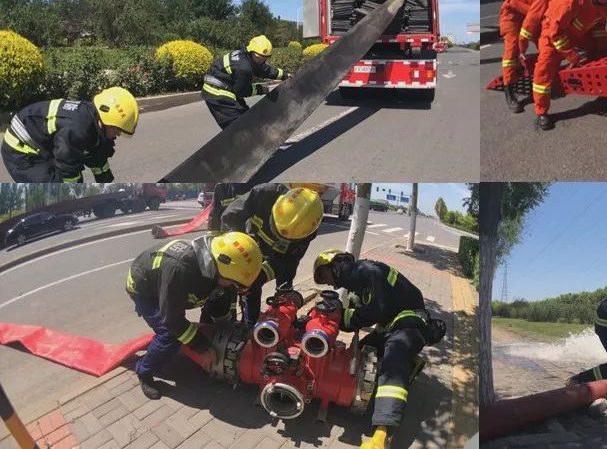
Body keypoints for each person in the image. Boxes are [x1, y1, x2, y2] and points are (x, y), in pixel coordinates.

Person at [313, 249, 446, 449]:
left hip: (411, 323)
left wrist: (342, 317)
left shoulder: (367, 272)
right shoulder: (359, 279)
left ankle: (382, 433)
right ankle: (409, 365)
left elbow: (372, 312)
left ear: (335, 264)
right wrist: (335, 314)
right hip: (393, 326)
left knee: (394, 355)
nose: (329, 283)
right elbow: (362, 311)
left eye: (325, 276)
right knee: (364, 349)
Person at [125, 232, 263, 400]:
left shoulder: (219, 265)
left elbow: (221, 305)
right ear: (218, 270)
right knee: (169, 336)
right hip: (146, 291)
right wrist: (203, 348)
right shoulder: (180, 270)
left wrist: (226, 332)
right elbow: (173, 320)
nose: (234, 287)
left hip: (172, 285)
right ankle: (144, 371)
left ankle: (203, 353)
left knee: (217, 300)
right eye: (232, 283)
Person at [532, 0, 607, 130]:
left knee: (598, 51)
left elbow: (599, 27)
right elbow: (556, 33)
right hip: (552, 36)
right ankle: (541, 112)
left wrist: (603, 50)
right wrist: (571, 55)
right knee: (543, 71)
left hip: (577, 33)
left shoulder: (602, 4)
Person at [220, 184, 323, 324]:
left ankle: (284, 322)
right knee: (248, 287)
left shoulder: (307, 231)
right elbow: (230, 217)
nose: (276, 236)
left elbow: (287, 261)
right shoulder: (264, 194)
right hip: (250, 245)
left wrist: (260, 277)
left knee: (282, 290)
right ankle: (250, 323)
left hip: (282, 257)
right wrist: (237, 253)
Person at [2, 87, 138, 182]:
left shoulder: (94, 123)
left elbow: (97, 156)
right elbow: (67, 167)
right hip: (20, 150)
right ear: (105, 121)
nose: (118, 134)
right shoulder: (77, 130)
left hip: (44, 142)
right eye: (117, 130)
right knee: (55, 186)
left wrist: (106, 181)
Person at [497, 0, 585, 113]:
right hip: (511, 14)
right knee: (512, 50)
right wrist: (522, 47)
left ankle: (543, 77)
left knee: (545, 45)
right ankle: (510, 92)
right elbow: (530, 23)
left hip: (527, 13)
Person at [202, 35, 290, 130]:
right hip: (217, 94)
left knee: (246, 117)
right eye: (259, 57)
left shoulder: (246, 56)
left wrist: (284, 75)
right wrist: (260, 89)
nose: (261, 60)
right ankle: (242, 143)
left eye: (264, 58)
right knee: (238, 128)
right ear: (251, 51)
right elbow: (242, 91)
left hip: (224, 88)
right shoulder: (244, 68)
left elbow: (264, 69)